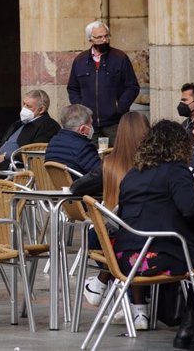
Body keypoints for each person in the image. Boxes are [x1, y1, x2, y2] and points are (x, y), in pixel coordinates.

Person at [113, 120, 194, 350]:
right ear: (179, 146)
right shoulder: (175, 170)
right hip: (154, 254)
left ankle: (188, 330)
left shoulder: (133, 174)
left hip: (126, 256)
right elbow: (192, 209)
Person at [70, 111, 150, 318]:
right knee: (131, 247)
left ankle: (103, 284)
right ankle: (137, 309)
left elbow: (77, 186)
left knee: (99, 237)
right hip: (153, 234)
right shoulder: (157, 165)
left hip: (117, 234)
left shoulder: (110, 164)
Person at [67, 20, 140, 147]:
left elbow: (132, 86)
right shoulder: (80, 60)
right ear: (90, 39)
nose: (104, 40)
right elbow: (73, 88)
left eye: (106, 36)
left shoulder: (120, 57)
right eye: (99, 37)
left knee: (119, 156)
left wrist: (119, 106)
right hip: (90, 123)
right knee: (93, 158)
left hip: (115, 123)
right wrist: (81, 107)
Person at [0, 89, 60, 169]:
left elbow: (36, 152)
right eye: (23, 104)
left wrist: (6, 156)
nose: (24, 108)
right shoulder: (18, 124)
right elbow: (2, 143)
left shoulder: (48, 125)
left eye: (28, 106)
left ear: (41, 109)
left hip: (16, 169)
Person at [45, 104, 100, 175]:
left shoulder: (53, 142)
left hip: (57, 185)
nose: (92, 127)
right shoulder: (84, 147)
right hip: (79, 185)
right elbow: (100, 173)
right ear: (82, 129)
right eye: (90, 124)